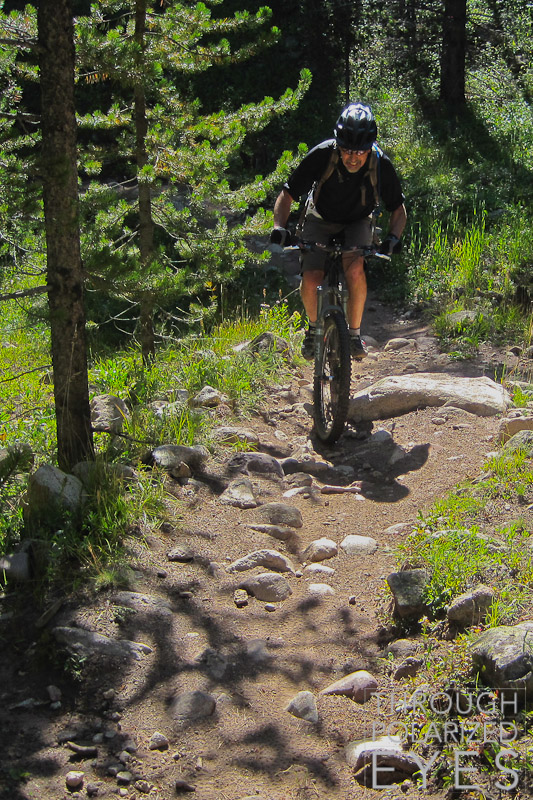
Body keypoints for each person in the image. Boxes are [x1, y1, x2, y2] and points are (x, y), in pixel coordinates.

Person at [270, 102, 407, 360]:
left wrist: (393, 238)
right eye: (346, 151)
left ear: (370, 148)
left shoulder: (381, 164)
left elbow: (398, 210)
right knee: (312, 277)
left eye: (360, 152)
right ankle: (313, 329)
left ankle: (353, 336)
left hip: (358, 221)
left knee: (355, 270)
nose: (353, 158)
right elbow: (287, 195)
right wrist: (279, 227)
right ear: (338, 145)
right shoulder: (322, 155)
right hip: (319, 218)